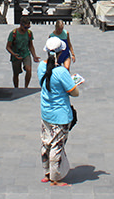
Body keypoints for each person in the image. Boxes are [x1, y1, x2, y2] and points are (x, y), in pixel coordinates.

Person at [38, 36, 80, 186]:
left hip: (46, 112)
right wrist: (74, 81)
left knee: (46, 142)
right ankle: (55, 178)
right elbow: (75, 92)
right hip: (60, 114)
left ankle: (47, 173)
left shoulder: (41, 67)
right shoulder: (61, 72)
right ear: (61, 53)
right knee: (57, 145)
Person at [6, 17, 40, 88]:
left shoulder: (29, 33)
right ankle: (16, 88)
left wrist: (34, 56)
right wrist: (13, 54)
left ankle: (26, 87)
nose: (27, 29)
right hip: (16, 55)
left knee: (29, 69)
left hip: (26, 54)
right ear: (21, 25)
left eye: (28, 27)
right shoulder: (13, 33)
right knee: (16, 73)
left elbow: (30, 45)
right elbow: (8, 47)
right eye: (25, 27)